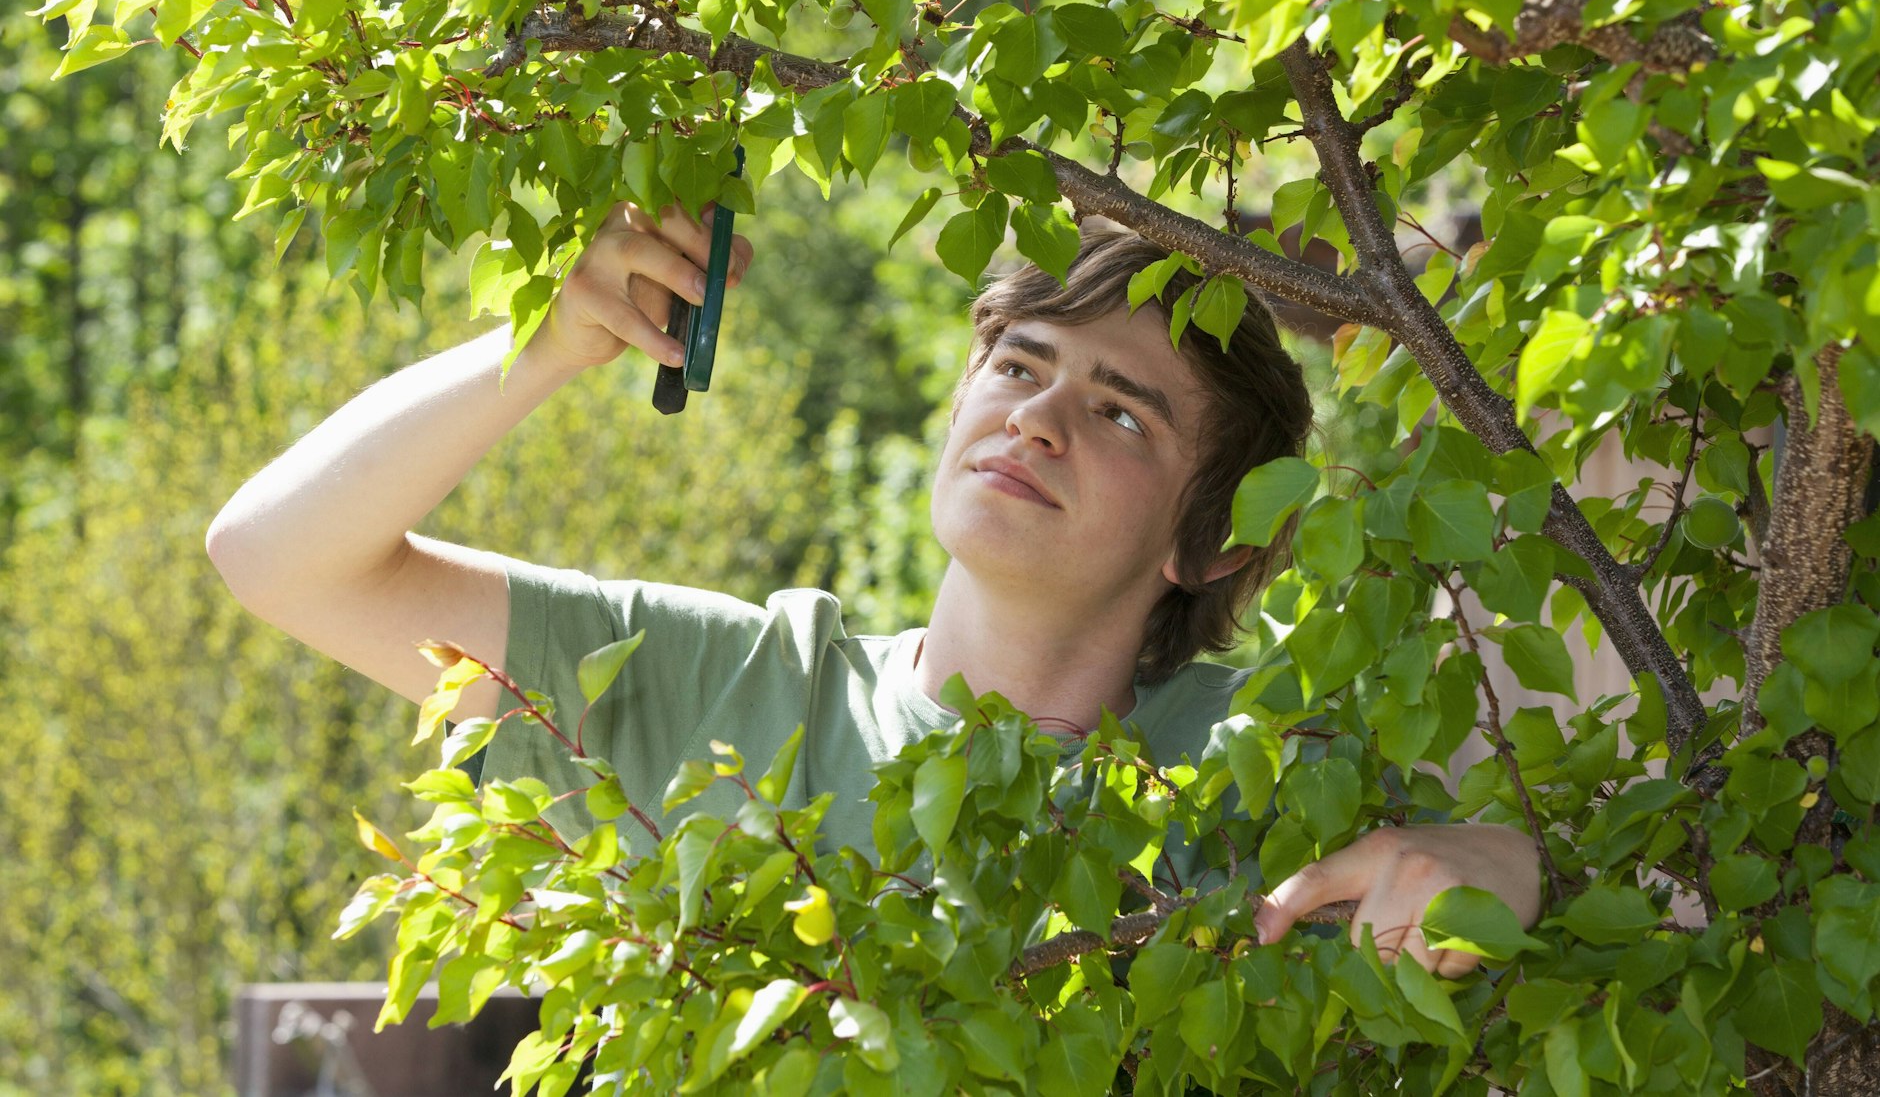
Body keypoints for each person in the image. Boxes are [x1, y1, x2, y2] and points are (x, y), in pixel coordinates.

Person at [206, 202, 1540, 976]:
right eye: (1019, 366)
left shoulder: (1277, 770)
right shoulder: (720, 684)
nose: (1037, 417)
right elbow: (279, 554)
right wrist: (551, 342)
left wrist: (1508, 866)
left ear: (1214, 544)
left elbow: (1579, 905)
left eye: (1123, 412)